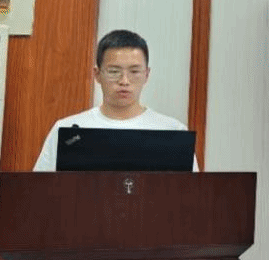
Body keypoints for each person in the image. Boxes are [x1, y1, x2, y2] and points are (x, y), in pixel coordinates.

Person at [32, 29, 196, 171]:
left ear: (146, 75)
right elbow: (41, 189)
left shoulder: (173, 131)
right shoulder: (67, 129)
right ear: (97, 74)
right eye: (114, 71)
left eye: (134, 71)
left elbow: (190, 192)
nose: (124, 81)